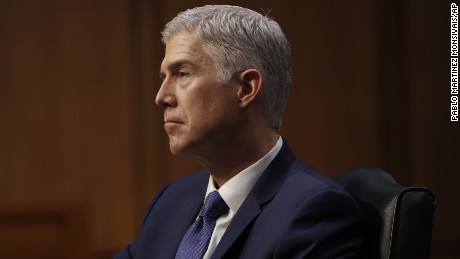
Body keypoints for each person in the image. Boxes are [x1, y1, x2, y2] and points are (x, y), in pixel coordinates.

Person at [114, 5, 362, 259]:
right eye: (164, 77)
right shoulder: (170, 202)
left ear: (245, 88)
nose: (161, 97)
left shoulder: (314, 212)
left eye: (182, 73)